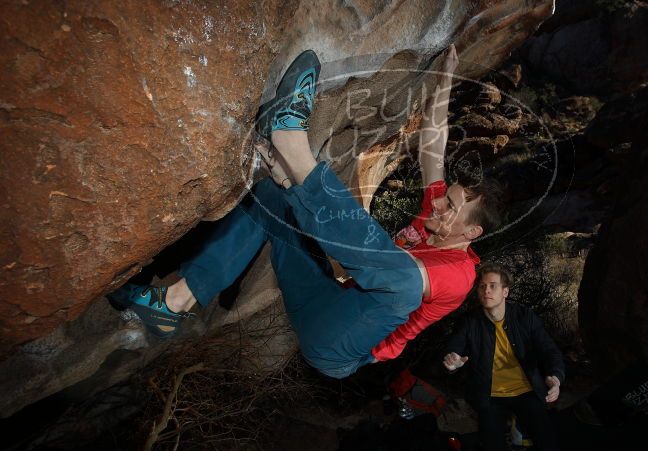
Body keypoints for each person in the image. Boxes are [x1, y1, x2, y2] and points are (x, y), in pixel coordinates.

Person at [110, 45, 505, 378]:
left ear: (470, 234)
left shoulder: (458, 277)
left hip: (338, 346)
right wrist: (446, 77)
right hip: (320, 296)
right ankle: (175, 302)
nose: (436, 202)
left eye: (449, 206)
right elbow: (434, 145)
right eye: (444, 196)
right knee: (273, 198)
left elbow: (380, 269)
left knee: (402, 284)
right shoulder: (435, 215)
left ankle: (291, 143)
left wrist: (299, 178)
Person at [443, 263, 565, 451]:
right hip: (490, 395)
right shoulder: (471, 321)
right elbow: (453, 350)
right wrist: (453, 361)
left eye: (492, 286)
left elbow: (549, 350)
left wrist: (555, 378)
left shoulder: (524, 316)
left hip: (526, 390)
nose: (486, 291)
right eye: (482, 287)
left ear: (505, 292)